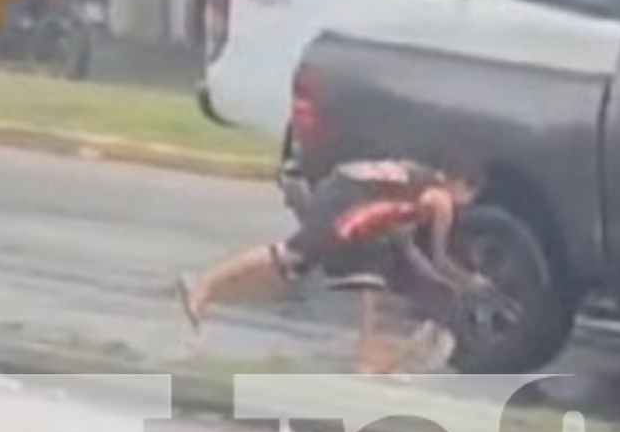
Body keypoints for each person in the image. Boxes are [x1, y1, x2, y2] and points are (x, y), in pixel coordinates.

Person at [177, 159, 487, 375]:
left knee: (365, 273)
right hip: (346, 199)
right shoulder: (440, 198)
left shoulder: (415, 184)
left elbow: (408, 250)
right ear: (461, 185)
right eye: (469, 197)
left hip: (345, 190)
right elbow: (441, 257)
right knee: (294, 255)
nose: (465, 206)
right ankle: (205, 285)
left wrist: (443, 281)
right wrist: (469, 281)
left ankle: (367, 356)